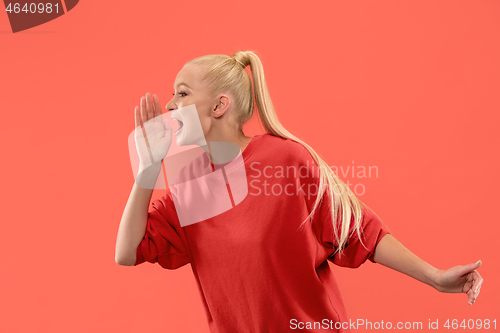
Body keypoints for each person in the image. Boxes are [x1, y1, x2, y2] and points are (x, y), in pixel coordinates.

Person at [115, 50, 484, 333]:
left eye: (182, 93)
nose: (169, 106)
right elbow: (127, 252)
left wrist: (435, 277)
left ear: (218, 106)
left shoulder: (284, 158)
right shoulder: (188, 184)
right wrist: (148, 170)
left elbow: (358, 230)